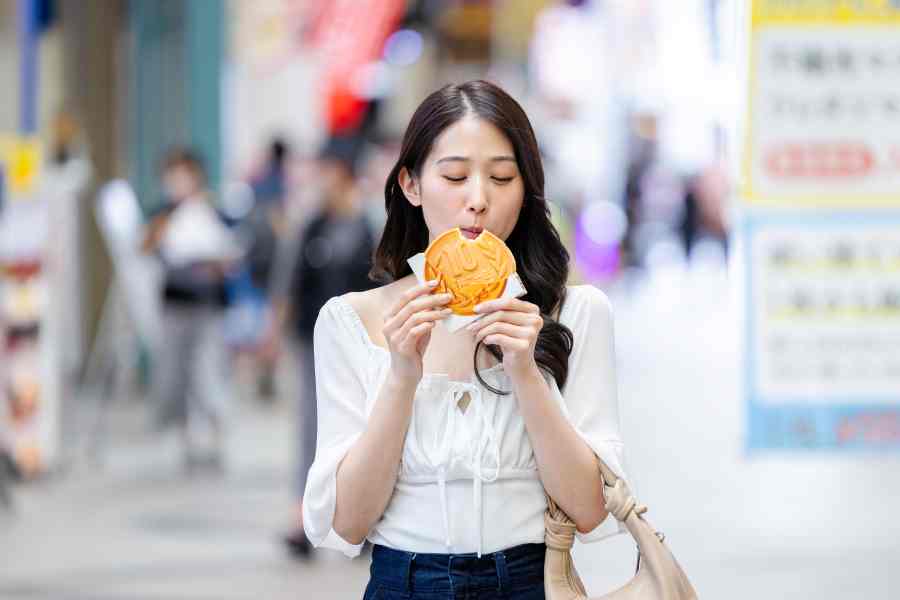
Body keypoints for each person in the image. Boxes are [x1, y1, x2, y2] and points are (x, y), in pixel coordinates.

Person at [302, 81, 629, 599]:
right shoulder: (352, 321)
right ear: (411, 184)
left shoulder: (576, 313)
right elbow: (348, 523)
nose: (478, 200)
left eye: (502, 177)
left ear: (526, 188)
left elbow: (589, 510)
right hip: (403, 584)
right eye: (454, 176)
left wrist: (525, 372)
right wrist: (401, 377)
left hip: (532, 582)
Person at [270, 135, 378, 558]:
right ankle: (304, 521)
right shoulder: (311, 226)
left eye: (328, 171)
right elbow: (289, 282)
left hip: (363, 348)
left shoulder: (370, 227)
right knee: (311, 431)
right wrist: (275, 331)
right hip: (313, 346)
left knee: (363, 430)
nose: (321, 180)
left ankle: (363, 521)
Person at [141, 148, 236, 471]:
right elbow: (145, 248)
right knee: (175, 374)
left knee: (208, 373)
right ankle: (187, 441)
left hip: (207, 307)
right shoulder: (162, 215)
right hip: (175, 304)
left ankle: (214, 438)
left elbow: (230, 251)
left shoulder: (212, 210)